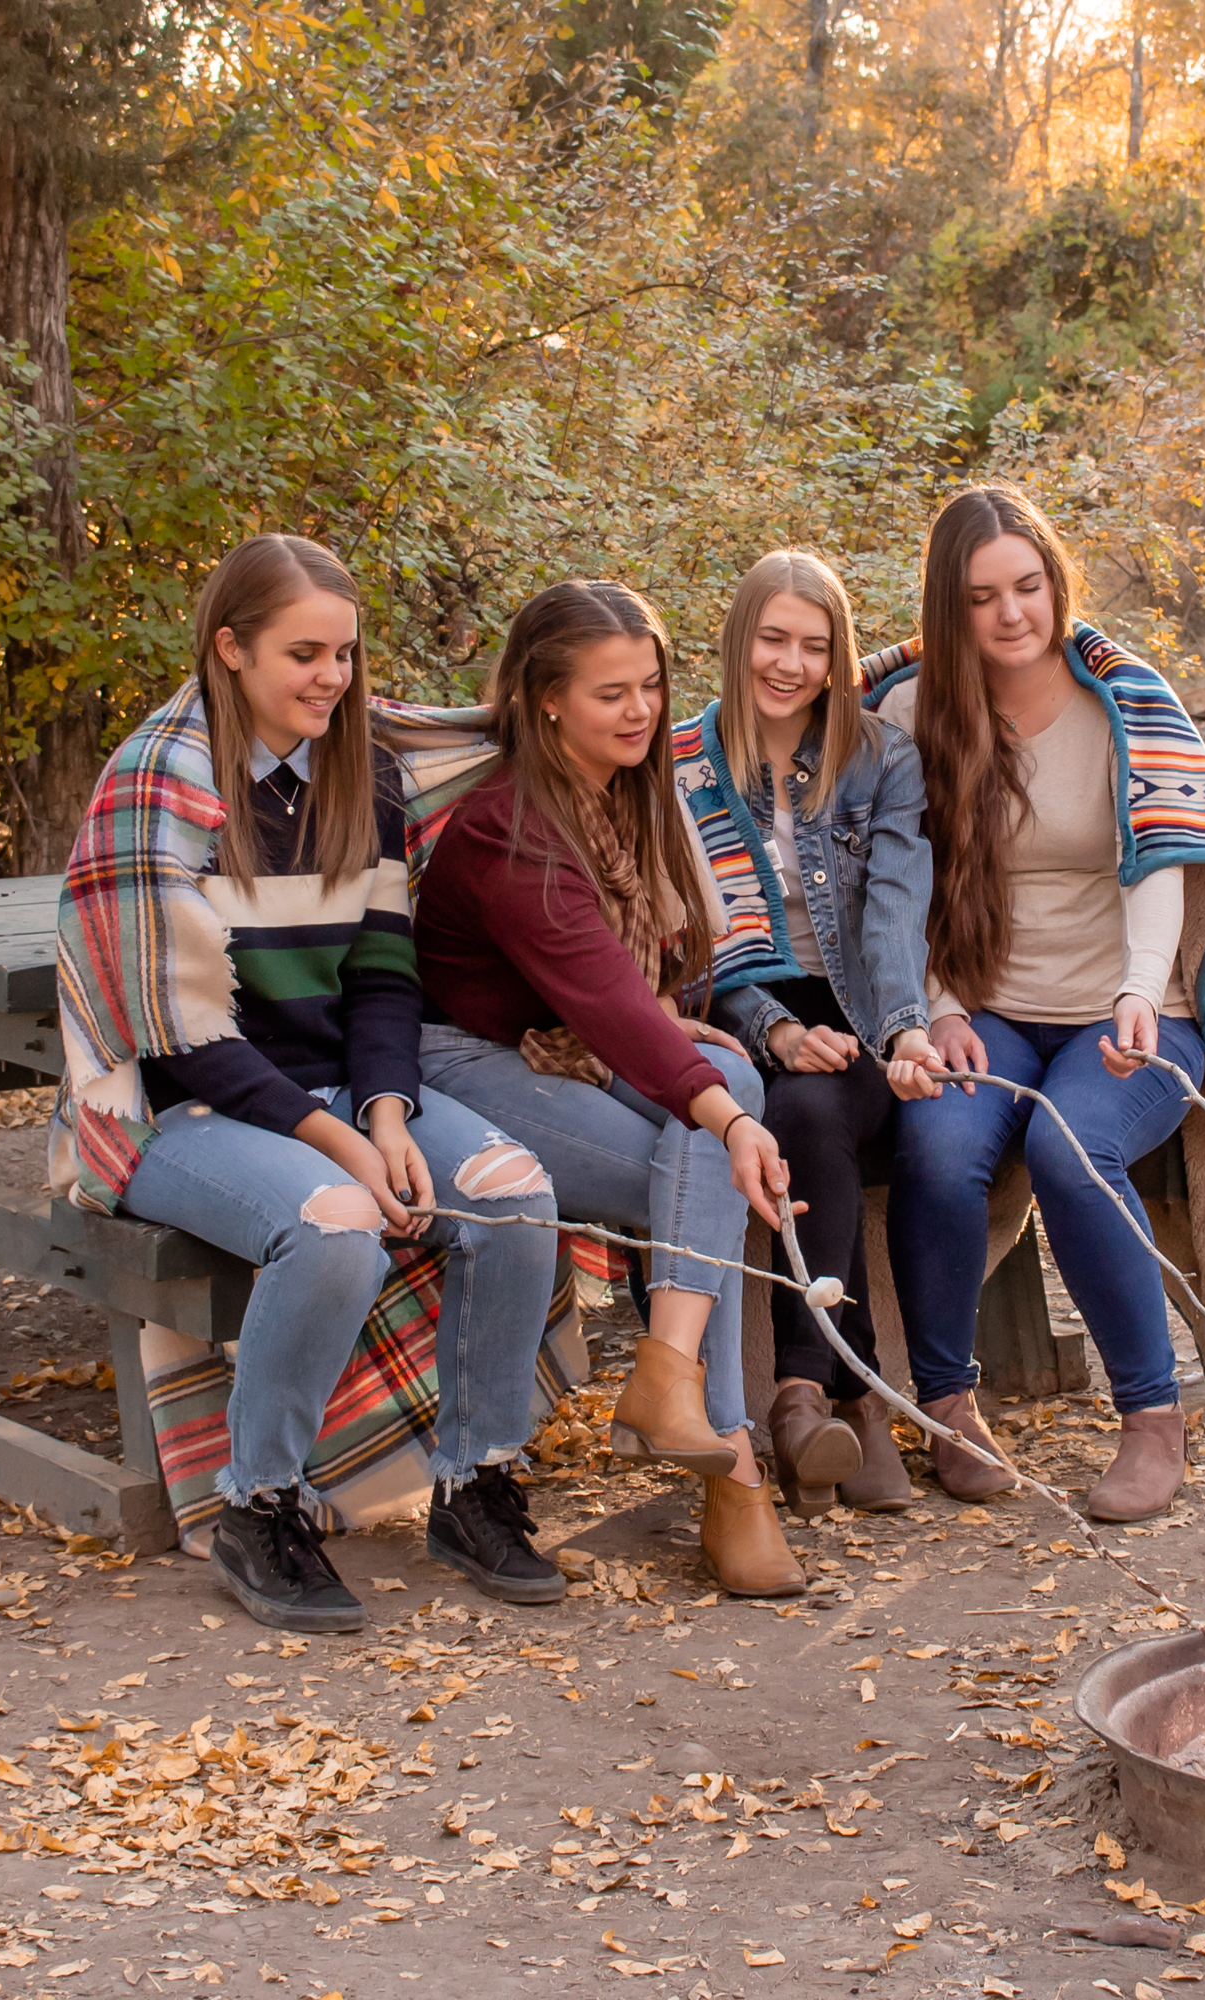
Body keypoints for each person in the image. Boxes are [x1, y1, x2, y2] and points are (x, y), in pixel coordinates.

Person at [52, 534, 565, 1632]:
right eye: (304, 653)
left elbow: (385, 970)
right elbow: (179, 1033)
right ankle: (260, 1505)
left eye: (344, 652)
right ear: (229, 650)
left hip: (337, 1089)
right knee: (336, 1223)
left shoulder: (358, 772)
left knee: (517, 1193)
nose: (332, 677)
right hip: (177, 1110)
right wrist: (339, 1145)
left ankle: (472, 1482)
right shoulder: (157, 785)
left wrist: (384, 1110)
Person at [873, 486, 1205, 1521]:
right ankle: (949, 1403)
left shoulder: (1122, 701)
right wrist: (941, 1003)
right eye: (982, 597)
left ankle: (1151, 1417)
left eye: (1028, 586)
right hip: (988, 1003)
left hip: (1133, 1002)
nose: (1011, 614)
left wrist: (1141, 993)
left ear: (1056, 582)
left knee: (1069, 1145)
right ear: (948, 610)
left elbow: (1161, 860)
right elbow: (901, 875)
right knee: (937, 1141)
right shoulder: (915, 710)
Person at [413, 578, 809, 1596]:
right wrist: (723, 1114)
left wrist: (710, 1076)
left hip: (577, 1041)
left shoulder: (634, 793)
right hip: (469, 1056)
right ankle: (733, 1468)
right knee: (712, 1163)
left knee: (721, 1087)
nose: (638, 711)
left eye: (649, 687)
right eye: (609, 694)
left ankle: (672, 1380)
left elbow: (660, 984)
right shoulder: (511, 825)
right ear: (546, 700)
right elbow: (602, 994)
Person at [677, 551, 939, 1516]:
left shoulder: (878, 758)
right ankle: (851, 1396)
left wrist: (903, 1030)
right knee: (794, 1101)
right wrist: (773, 1028)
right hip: (735, 1007)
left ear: (839, 657)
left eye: (815, 646)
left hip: (866, 1006)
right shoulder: (680, 764)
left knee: (815, 1102)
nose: (790, 664)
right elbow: (685, 937)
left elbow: (895, 909)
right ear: (738, 639)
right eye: (773, 639)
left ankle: (805, 1393)